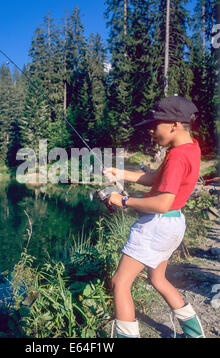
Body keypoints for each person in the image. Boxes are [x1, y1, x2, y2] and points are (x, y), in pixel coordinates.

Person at [103, 96, 205, 338]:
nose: (151, 129)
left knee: (120, 282)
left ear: (174, 124)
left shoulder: (177, 157)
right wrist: (121, 173)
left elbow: (161, 203)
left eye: (155, 123)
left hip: (157, 226)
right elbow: (154, 180)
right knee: (158, 279)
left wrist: (124, 201)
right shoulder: (188, 147)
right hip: (174, 223)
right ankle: (195, 334)